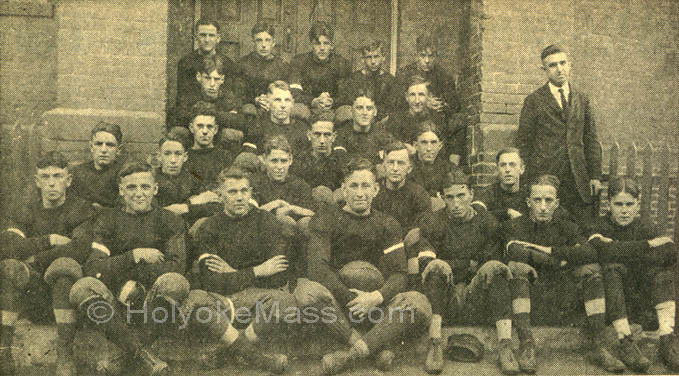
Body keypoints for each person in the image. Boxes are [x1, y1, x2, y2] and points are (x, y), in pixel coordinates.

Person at [300, 157, 432, 374]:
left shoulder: (387, 223)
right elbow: (317, 268)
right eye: (353, 186)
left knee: (419, 302)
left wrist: (373, 298)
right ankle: (373, 347)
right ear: (343, 189)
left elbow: (400, 273)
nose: (360, 193)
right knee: (306, 292)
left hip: (376, 304)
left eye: (366, 186)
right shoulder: (325, 218)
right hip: (340, 304)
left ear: (376, 190)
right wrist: (352, 300)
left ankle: (352, 354)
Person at [70, 162, 187, 375]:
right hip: (116, 300)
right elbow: (94, 267)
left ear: (155, 189)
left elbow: (177, 266)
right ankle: (144, 357)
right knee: (82, 287)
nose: (139, 193)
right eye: (131, 187)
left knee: (175, 282)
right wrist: (134, 256)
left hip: (153, 299)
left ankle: (125, 354)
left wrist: (134, 278)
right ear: (121, 191)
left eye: (145, 187)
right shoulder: (107, 219)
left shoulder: (170, 221)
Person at [192, 167, 307, 374]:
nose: (239, 197)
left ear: (251, 193)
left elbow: (279, 273)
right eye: (232, 192)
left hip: (259, 299)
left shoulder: (267, 221)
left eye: (244, 191)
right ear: (220, 195)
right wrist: (257, 270)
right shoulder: (209, 227)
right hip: (224, 299)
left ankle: (226, 352)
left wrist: (232, 271)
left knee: (286, 302)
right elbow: (210, 281)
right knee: (196, 302)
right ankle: (256, 357)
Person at [503, 174, 623, 373]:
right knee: (517, 267)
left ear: (556, 203)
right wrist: (560, 260)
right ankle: (526, 344)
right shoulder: (514, 225)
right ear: (528, 202)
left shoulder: (567, 226)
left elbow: (589, 252)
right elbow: (514, 250)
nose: (543, 206)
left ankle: (598, 344)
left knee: (591, 270)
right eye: (537, 200)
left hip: (562, 297)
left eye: (548, 200)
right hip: (529, 298)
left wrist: (541, 251)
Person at [0, 151, 96, 376]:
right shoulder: (26, 208)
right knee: (13, 269)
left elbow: (79, 249)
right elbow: (8, 245)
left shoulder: (80, 209)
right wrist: (49, 240)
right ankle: (4, 348)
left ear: (69, 180)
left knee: (63, 269)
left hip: (68, 300)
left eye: (57, 176)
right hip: (33, 294)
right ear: (37, 181)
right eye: (45, 177)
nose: (52, 183)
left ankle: (64, 353)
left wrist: (35, 258)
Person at [411, 169, 515, 374]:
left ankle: (505, 345)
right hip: (444, 299)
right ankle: (434, 343)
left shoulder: (487, 222)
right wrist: (464, 264)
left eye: (461, 196)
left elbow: (489, 261)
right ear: (442, 197)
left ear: (471, 195)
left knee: (495, 270)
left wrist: (456, 264)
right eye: (449, 197)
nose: (456, 204)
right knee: (436, 268)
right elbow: (425, 263)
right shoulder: (432, 221)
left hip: (476, 298)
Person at [586, 177, 679, 373]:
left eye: (629, 204)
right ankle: (625, 341)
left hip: (642, 293)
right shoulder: (600, 226)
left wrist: (620, 250)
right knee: (612, 269)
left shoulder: (645, 225)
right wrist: (646, 246)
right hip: (613, 298)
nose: (624, 210)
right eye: (618, 204)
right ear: (609, 203)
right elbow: (602, 252)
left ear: (637, 204)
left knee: (662, 273)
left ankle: (666, 339)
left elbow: (670, 252)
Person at [517, 44, 601, 225]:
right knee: (549, 225)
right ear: (545, 70)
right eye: (553, 65)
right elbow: (524, 142)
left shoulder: (582, 99)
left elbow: (591, 138)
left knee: (578, 225)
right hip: (547, 174)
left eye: (563, 63)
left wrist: (595, 175)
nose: (559, 69)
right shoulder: (533, 100)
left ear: (570, 65)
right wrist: (530, 179)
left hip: (577, 177)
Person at [154, 128, 222, 227]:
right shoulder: (151, 179)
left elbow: (214, 205)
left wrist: (182, 208)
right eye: (167, 154)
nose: (173, 160)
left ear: (185, 157)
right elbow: (154, 213)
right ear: (159, 157)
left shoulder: (192, 179)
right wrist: (192, 202)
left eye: (178, 154)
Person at [175, 54, 246, 147]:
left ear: (222, 79)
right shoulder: (190, 94)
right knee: (178, 131)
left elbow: (240, 121)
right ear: (198, 77)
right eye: (207, 78)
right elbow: (177, 115)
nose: (212, 84)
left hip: (218, 138)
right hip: (195, 139)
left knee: (232, 134)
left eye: (216, 79)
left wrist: (210, 114)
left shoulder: (229, 97)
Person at [250, 135, 316, 226]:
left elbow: (312, 213)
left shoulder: (300, 184)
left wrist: (291, 209)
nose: (279, 167)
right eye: (274, 161)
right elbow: (250, 214)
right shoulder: (255, 182)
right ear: (265, 159)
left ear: (290, 160)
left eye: (284, 161)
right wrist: (276, 203)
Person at [372, 141, 431, 241]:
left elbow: (422, 229)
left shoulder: (419, 194)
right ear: (383, 166)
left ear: (409, 168)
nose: (395, 168)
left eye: (400, 163)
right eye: (391, 162)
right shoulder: (373, 191)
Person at [289, 21, 352, 116]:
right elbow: (294, 92)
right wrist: (313, 101)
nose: (322, 48)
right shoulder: (299, 62)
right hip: (307, 106)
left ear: (332, 45)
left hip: (333, 108)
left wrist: (332, 101)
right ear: (311, 45)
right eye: (317, 43)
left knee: (347, 114)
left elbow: (346, 94)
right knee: (298, 111)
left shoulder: (342, 63)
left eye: (326, 43)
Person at [176, 18, 241, 108]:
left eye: (211, 35)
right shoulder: (186, 62)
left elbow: (229, 97)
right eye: (203, 35)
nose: (207, 40)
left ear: (218, 38)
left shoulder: (227, 63)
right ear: (196, 37)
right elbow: (183, 98)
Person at [395, 34, 461, 120]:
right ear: (416, 55)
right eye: (423, 56)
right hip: (410, 121)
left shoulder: (444, 76)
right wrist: (424, 103)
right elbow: (396, 104)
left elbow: (455, 106)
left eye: (431, 56)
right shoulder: (403, 74)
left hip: (435, 120)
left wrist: (442, 105)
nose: (427, 61)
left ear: (436, 56)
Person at [386, 76, 448, 160]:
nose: (417, 101)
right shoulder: (396, 119)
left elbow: (441, 151)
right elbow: (389, 145)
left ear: (428, 97)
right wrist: (404, 146)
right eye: (412, 95)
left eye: (421, 95)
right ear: (406, 97)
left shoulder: (437, 119)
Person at [241, 81, 310, 155]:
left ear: (292, 104)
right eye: (277, 100)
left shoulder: (302, 129)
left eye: (287, 100)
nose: (283, 105)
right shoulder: (257, 127)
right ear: (268, 102)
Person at [289, 114, 346, 203]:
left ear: (334, 137)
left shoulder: (343, 161)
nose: (322, 141)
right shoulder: (298, 161)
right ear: (309, 135)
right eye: (317, 134)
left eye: (327, 135)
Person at [239, 21, 291, 116]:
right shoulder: (243, 63)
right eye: (259, 40)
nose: (263, 45)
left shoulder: (282, 65)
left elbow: (289, 91)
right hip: (252, 106)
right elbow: (238, 92)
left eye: (267, 40)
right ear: (253, 42)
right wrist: (255, 100)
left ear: (273, 42)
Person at [337, 40, 396, 121]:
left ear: (383, 58)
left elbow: (392, 107)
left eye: (376, 57)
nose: (373, 62)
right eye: (369, 57)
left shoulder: (390, 80)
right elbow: (348, 103)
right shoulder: (354, 79)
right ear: (362, 59)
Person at [182, 102, 237, 190]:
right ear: (191, 128)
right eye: (200, 126)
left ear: (215, 129)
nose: (205, 131)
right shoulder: (184, 157)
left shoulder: (225, 157)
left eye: (209, 127)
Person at [70, 121, 125, 208]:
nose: (103, 150)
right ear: (91, 147)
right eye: (99, 144)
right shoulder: (78, 172)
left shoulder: (123, 174)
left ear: (118, 149)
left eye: (110, 145)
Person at [334, 93, 394, 165]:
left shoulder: (383, 135)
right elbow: (340, 162)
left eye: (369, 108)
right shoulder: (342, 134)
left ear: (375, 112)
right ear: (351, 111)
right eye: (359, 108)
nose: (364, 113)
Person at [474, 148, 529, 222]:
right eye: (503, 165)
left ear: (522, 169)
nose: (507, 169)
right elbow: (475, 212)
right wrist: (505, 213)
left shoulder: (529, 193)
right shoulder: (488, 193)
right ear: (497, 170)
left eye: (512, 165)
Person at [409, 121, 453, 205]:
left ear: (440, 146)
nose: (429, 148)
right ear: (415, 145)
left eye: (433, 143)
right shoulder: (407, 165)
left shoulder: (447, 167)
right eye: (424, 143)